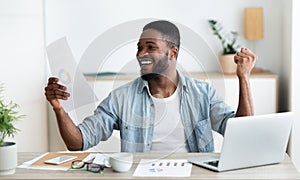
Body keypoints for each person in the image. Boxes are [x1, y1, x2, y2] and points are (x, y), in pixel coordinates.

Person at [44, 20, 256, 152]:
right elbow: (78, 142)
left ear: (172, 53)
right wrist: (58, 108)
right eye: (139, 47)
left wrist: (243, 77)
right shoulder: (121, 98)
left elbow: (242, 133)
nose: (140, 54)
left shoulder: (202, 93)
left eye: (150, 47)